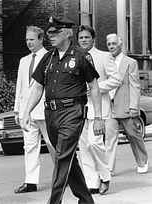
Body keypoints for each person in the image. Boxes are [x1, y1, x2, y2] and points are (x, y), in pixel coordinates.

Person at [21, 15, 105, 204]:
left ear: (67, 34)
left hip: (72, 112)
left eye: (54, 32)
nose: (50, 36)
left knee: (61, 157)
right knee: (66, 158)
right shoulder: (47, 58)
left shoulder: (82, 56)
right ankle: (86, 200)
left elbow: (94, 87)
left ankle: (54, 201)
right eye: (49, 32)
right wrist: (26, 112)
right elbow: (38, 87)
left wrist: (98, 118)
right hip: (50, 113)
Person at [77, 25, 122, 195]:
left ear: (93, 39)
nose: (84, 40)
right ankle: (92, 183)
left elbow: (117, 79)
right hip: (79, 108)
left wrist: (98, 87)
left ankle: (105, 175)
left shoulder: (104, 57)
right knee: (83, 146)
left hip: (99, 108)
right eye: (81, 38)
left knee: (94, 143)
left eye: (87, 37)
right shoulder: (74, 57)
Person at [13, 25, 55, 194]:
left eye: (31, 39)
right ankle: (30, 182)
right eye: (27, 40)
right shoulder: (24, 61)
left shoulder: (50, 57)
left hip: (46, 110)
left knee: (53, 144)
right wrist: (18, 110)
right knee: (29, 146)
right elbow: (20, 86)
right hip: (27, 112)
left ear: (40, 39)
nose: (28, 43)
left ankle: (65, 175)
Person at [105, 33, 149, 175]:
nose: (111, 47)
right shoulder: (106, 61)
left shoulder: (130, 62)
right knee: (110, 137)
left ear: (120, 45)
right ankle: (109, 168)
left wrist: (133, 107)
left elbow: (135, 86)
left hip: (125, 105)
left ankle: (142, 161)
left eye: (114, 44)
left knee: (133, 134)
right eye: (109, 44)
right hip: (109, 105)